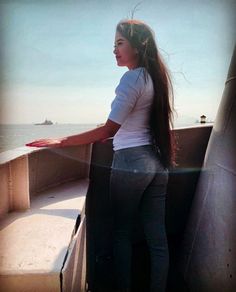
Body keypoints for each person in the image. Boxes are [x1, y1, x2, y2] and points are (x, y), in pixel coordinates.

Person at [26, 19, 175, 292]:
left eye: (120, 43)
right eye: (114, 45)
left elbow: (109, 128)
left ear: (138, 46)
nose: (114, 50)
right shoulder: (154, 79)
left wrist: (62, 140)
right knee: (158, 239)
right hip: (156, 161)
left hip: (131, 162)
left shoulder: (132, 78)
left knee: (121, 233)